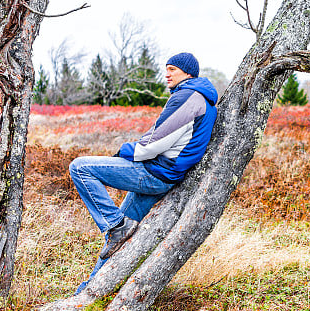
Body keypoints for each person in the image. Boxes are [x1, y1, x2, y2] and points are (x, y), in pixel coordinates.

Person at [69, 52, 218, 294]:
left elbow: (154, 144)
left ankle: (113, 225)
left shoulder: (188, 96)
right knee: (120, 240)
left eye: (172, 69)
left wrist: (125, 151)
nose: (167, 73)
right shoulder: (202, 99)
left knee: (80, 167)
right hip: (165, 175)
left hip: (155, 172)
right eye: (166, 68)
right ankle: (90, 289)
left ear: (188, 73)